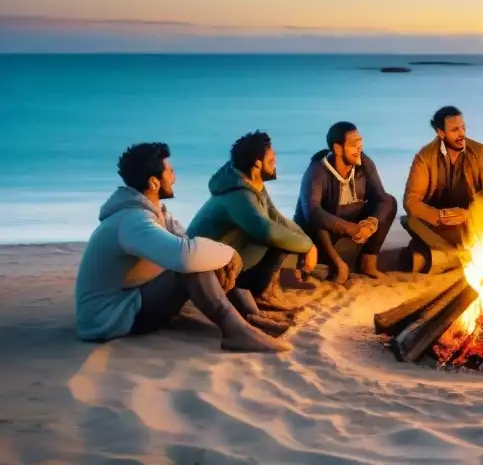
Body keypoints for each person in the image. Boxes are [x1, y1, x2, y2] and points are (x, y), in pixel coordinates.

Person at [74, 142, 291, 352]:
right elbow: (185, 256)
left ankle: (250, 317)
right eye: (170, 172)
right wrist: (230, 253)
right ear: (154, 183)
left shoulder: (156, 214)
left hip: (132, 299)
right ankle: (237, 331)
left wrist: (222, 258)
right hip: (109, 319)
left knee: (202, 257)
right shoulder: (132, 220)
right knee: (190, 263)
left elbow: (190, 244)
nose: (174, 177)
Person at [188, 131, 317, 297]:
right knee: (276, 240)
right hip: (208, 268)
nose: (275, 159)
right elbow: (268, 232)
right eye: (271, 159)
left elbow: (276, 217)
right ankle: (259, 292)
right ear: (257, 165)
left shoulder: (252, 183)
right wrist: (307, 246)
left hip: (229, 253)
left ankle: (282, 280)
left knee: (285, 236)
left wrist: (308, 243)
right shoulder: (239, 195)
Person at [402, 105, 483, 273]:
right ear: (440, 132)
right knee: (411, 220)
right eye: (455, 130)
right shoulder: (424, 157)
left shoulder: (482, 154)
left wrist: (468, 215)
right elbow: (411, 201)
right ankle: (462, 257)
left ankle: (441, 258)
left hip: (472, 223)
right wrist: (440, 216)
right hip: (439, 224)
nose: (461, 133)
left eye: (463, 127)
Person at [294, 121, 397, 281]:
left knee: (390, 201)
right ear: (337, 148)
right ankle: (337, 264)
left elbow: (382, 199)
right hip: (322, 239)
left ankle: (368, 262)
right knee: (319, 217)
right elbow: (312, 213)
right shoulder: (317, 171)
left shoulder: (364, 164)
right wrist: (350, 229)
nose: (359, 148)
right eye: (353, 145)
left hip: (351, 227)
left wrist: (370, 224)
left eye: (360, 143)